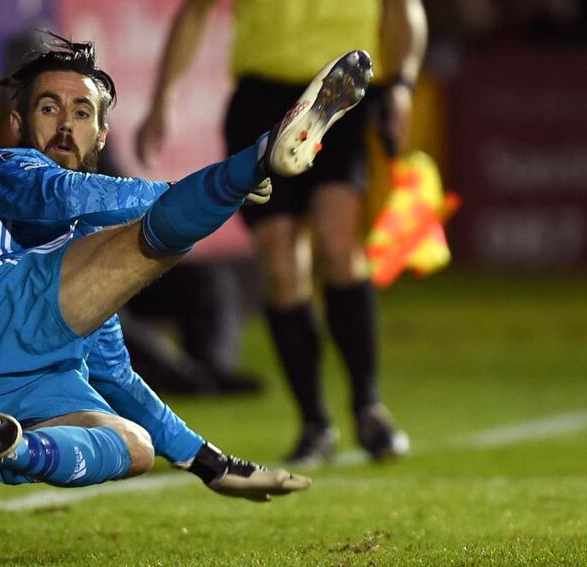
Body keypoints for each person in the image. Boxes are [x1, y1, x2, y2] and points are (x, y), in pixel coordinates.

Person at [0, 31, 371, 500]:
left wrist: (211, 464)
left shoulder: (85, 253)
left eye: (81, 113)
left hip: (24, 392)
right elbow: (61, 195)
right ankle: (260, 155)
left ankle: (5, 446)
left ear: (101, 134)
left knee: (133, 445)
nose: (64, 126)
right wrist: (225, 184)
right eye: (49, 108)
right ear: (17, 122)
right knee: (155, 241)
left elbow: (116, 377)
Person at [136, 0, 426, 467]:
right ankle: (315, 424)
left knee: (338, 246)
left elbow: (405, 10)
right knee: (282, 265)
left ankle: (369, 407)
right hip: (261, 103)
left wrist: (403, 83)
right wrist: (163, 98)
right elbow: (194, 14)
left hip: (342, 95)